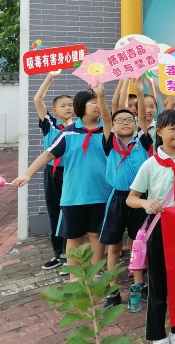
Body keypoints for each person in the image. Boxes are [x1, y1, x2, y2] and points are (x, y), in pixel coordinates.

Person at [127, 109, 175, 344]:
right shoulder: (150, 165)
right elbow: (131, 198)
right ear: (159, 132)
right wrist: (146, 202)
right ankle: (157, 334)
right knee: (158, 283)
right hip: (160, 227)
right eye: (172, 128)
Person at [13, 87, 110, 278]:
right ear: (81, 106)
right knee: (74, 237)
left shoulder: (107, 131)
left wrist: (101, 94)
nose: (98, 105)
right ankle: (74, 278)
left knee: (96, 236)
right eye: (93, 102)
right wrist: (27, 174)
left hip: (101, 194)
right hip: (74, 195)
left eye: (99, 102)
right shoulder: (68, 134)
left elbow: (108, 118)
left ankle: (96, 275)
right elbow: (48, 154)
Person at [96, 79, 151, 307]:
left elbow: (144, 117)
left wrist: (139, 92)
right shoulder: (110, 142)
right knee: (114, 246)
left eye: (130, 120)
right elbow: (106, 117)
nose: (125, 123)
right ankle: (113, 290)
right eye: (120, 120)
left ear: (136, 124)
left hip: (139, 198)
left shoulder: (143, 140)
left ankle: (138, 284)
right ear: (113, 126)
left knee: (138, 242)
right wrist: (101, 95)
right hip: (117, 198)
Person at [32, 70, 73, 270]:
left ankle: (70, 255)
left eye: (71, 105)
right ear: (55, 110)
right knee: (55, 211)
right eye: (63, 106)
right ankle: (58, 254)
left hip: (72, 173)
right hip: (53, 173)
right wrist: (50, 77)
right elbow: (37, 99)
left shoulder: (79, 127)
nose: (68, 108)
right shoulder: (50, 124)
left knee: (70, 212)